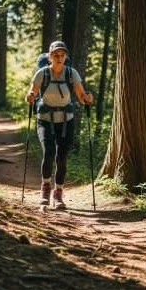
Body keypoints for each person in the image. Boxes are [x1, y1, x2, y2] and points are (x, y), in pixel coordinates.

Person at [25, 41, 93, 209]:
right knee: (49, 153)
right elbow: (32, 91)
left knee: (61, 157)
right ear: (50, 57)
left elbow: (81, 95)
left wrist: (87, 99)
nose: (59, 58)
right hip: (45, 119)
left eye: (62, 55)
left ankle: (59, 195)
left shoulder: (72, 73)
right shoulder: (42, 73)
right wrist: (30, 96)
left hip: (65, 120)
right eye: (56, 55)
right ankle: (45, 190)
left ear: (65, 57)